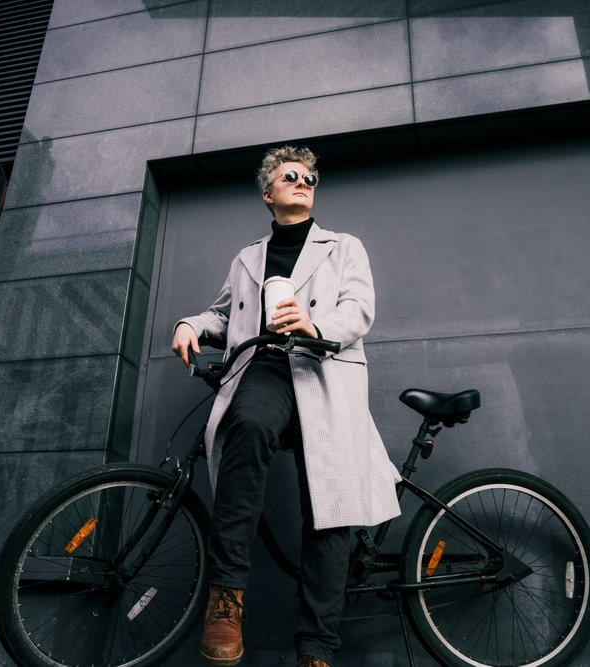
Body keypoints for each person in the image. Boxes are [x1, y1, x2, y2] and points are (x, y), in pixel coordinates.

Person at [172, 146, 401, 667]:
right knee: (247, 425)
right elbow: (222, 313)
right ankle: (226, 599)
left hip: (324, 370)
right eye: (291, 175)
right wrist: (191, 324)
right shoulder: (247, 257)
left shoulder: (344, 247)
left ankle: (317, 647)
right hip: (269, 369)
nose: (304, 181)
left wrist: (316, 327)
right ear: (268, 193)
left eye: (311, 177)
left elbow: (359, 310)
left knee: (329, 510)